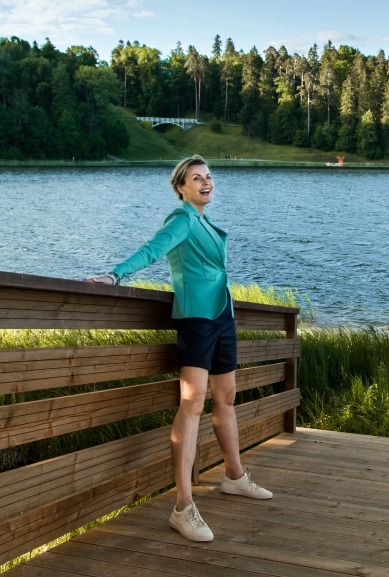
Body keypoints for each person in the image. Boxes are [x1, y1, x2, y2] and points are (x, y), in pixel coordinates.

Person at [85, 155, 271, 543]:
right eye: (197, 178)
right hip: (196, 319)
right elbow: (153, 249)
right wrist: (116, 274)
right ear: (181, 188)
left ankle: (235, 477)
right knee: (193, 402)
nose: (206, 183)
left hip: (222, 314)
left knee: (227, 397)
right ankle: (183, 507)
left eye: (208, 177)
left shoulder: (202, 219)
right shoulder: (182, 218)